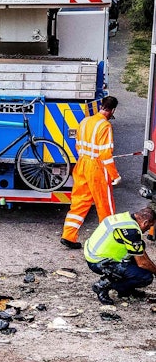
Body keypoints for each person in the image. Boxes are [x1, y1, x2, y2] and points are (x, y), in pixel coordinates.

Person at [61, 96, 120, 248]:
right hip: (97, 168)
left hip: (82, 164)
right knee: (104, 205)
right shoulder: (105, 126)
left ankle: (68, 236)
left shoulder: (85, 121)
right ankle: (108, 242)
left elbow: (78, 144)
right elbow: (105, 155)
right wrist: (115, 175)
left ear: (101, 106)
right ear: (112, 110)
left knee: (79, 202)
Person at [84, 206, 156, 304]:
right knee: (145, 277)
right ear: (145, 223)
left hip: (92, 253)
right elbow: (142, 263)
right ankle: (103, 286)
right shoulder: (131, 232)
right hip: (98, 262)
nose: (148, 229)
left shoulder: (123, 217)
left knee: (140, 245)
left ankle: (125, 290)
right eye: (149, 227)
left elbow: (140, 251)